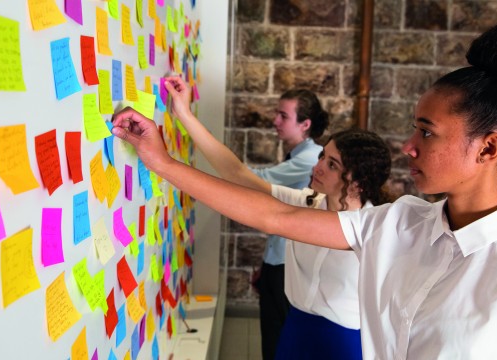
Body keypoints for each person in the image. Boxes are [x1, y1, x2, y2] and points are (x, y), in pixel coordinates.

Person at [112, 23, 497, 358]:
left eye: (426, 132)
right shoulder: (401, 221)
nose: (409, 145)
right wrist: (161, 163)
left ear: (488, 148)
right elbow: (274, 215)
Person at [162, 76, 392, 359]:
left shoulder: (375, 227)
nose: (318, 167)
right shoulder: (306, 202)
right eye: (322, 157)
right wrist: (183, 114)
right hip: (297, 328)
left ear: (357, 182)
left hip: (342, 341)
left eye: (332, 165)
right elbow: (238, 176)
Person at [234, 89, 328, 359]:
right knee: (273, 337)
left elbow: (260, 181)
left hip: (289, 266)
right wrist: (268, 264)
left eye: (283, 115)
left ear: (305, 124)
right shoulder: (299, 155)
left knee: (279, 341)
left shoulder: (310, 158)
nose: (275, 120)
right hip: (280, 262)